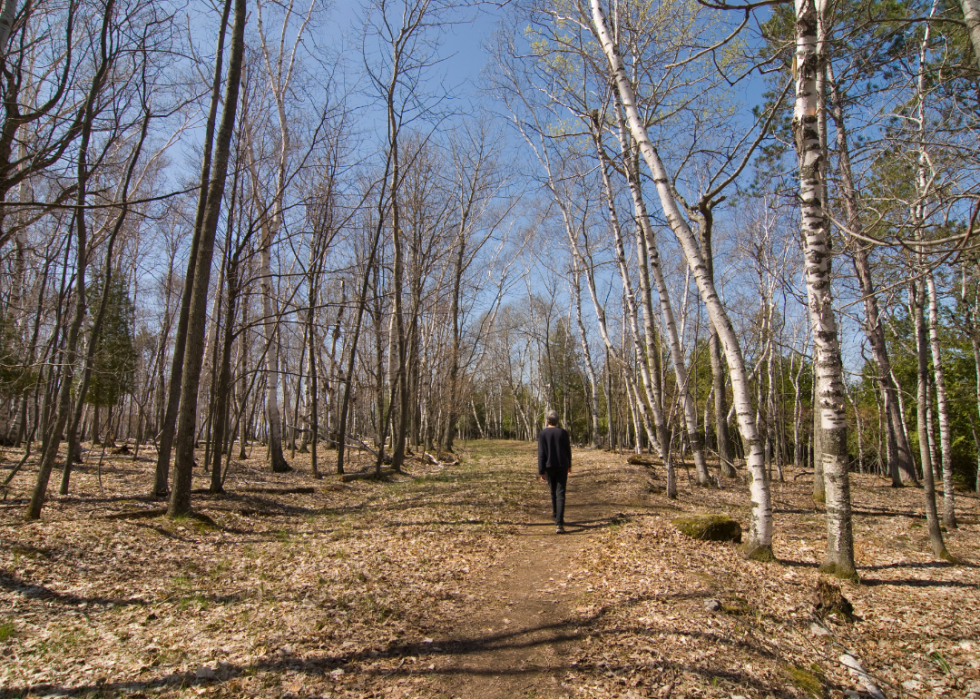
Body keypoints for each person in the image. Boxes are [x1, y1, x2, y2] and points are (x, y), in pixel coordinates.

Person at [538, 410, 572, 533]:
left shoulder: (543, 434)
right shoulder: (563, 433)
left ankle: (555, 515)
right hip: (562, 465)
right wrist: (569, 465)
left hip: (548, 466)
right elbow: (568, 450)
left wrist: (541, 470)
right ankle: (559, 523)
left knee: (553, 491)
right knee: (560, 493)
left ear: (547, 421)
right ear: (557, 421)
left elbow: (541, 453)